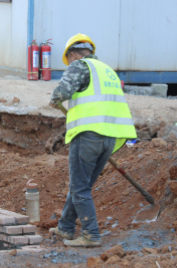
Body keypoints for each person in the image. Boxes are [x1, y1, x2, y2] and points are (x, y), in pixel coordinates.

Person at [48, 34, 137, 247]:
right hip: (109, 138)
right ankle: (65, 228)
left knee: (79, 187)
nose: (69, 63)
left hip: (88, 135)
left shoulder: (79, 65)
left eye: (68, 59)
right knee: (82, 185)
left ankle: (91, 234)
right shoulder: (107, 71)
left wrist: (54, 98)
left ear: (72, 54)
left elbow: (63, 91)